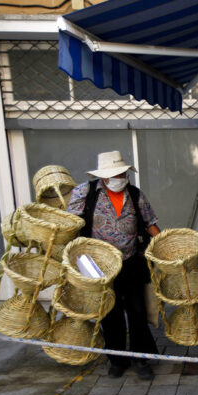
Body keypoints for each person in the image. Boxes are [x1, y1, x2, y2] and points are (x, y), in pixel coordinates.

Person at [67, 151, 161, 380]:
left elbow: (150, 223)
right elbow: (70, 224)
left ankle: (141, 359)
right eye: (115, 174)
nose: (120, 177)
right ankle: (117, 360)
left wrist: (164, 246)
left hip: (131, 262)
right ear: (103, 176)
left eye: (122, 173)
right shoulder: (85, 193)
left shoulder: (135, 194)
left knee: (137, 312)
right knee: (110, 313)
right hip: (100, 267)